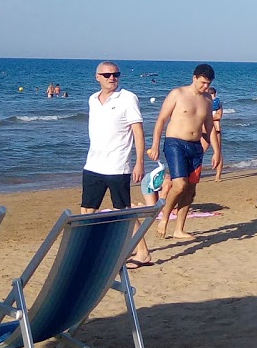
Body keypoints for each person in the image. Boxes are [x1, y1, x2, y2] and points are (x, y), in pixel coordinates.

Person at [81, 62, 153, 268]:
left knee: (123, 211)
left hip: (117, 165)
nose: (111, 78)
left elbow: (138, 132)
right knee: (87, 210)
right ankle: (87, 249)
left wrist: (139, 162)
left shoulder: (127, 98)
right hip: (93, 163)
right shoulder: (93, 100)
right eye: (106, 75)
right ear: (97, 77)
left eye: (115, 74)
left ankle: (143, 252)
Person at [147, 64, 216, 241]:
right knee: (179, 185)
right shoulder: (177, 94)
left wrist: (217, 152)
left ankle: (179, 229)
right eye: (203, 83)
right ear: (194, 78)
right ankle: (164, 218)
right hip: (175, 143)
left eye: (208, 84)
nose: (205, 87)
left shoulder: (207, 99)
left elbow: (209, 127)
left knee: (190, 190)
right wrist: (155, 145)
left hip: (196, 146)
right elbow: (161, 120)